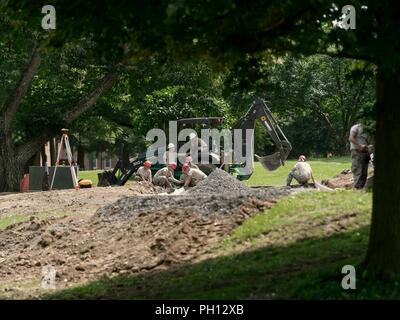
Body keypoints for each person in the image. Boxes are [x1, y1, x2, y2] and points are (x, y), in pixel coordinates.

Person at [348, 123, 371, 189]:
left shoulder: (368, 130)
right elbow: (351, 138)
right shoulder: (356, 127)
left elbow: (368, 142)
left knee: (364, 173)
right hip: (356, 151)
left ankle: (360, 189)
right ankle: (356, 189)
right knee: (358, 171)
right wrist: (360, 145)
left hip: (365, 153)